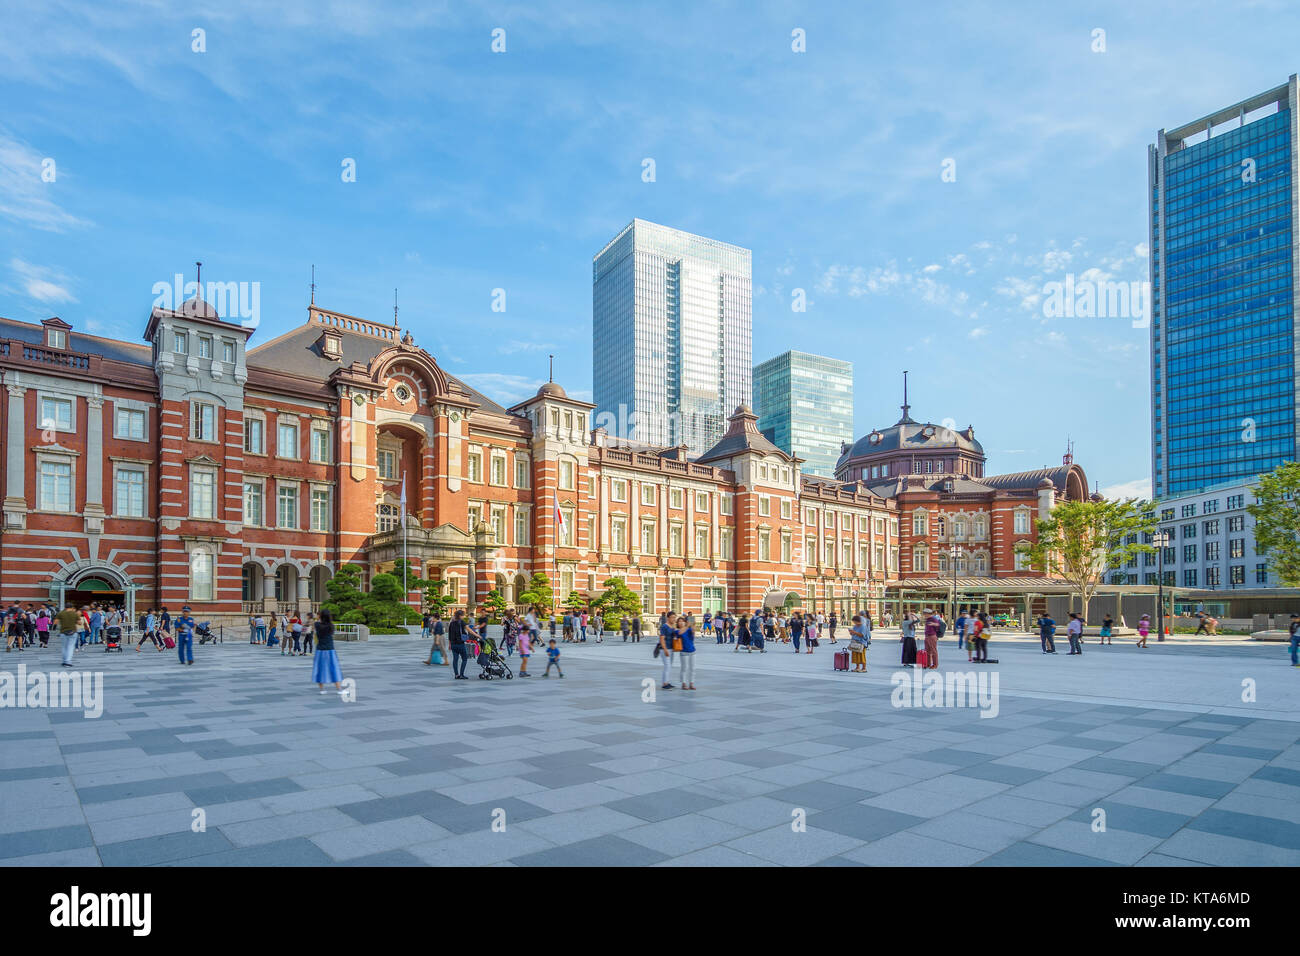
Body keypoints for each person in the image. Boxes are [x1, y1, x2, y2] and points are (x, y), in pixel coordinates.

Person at [311, 608, 345, 696]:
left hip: (320, 650)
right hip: (330, 650)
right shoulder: (331, 626)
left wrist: (318, 617)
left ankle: (322, 689)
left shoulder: (317, 624)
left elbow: (315, 625)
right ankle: (339, 689)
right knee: (334, 668)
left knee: (320, 669)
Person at [448, 609, 478, 679]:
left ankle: (456, 675)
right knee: (464, 659)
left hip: (453, 644)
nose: (464, 617)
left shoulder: (451, 623)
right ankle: (461, 674)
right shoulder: (462, 622)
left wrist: (450, 644)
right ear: (460, 616)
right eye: (463, 615)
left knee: (455, 659)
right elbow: (469, 630)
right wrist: (477, 635)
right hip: (460, 644)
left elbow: (449, 635)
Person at [676, 613, 697, 690]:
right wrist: (687, 626)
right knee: (684, 668)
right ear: (677, 623)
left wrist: (693, 625)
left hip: (692, 651)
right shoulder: (677, 630)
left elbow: (693, 634)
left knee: (693, 668)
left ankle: (691, 683)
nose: (681, 622)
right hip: (684, 652)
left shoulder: (688, 629)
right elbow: (680, 633)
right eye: (679, 621)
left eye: (682, 621)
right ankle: (683, 683)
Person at [657, 614, 675, 688]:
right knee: (667, 666)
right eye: (672, 617)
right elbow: (662, 639)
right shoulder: (664, 626)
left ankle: (667, 681)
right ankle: (664, 683)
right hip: (665, 649)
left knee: (669, 666)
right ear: (668, 618)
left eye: (675, 617)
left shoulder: (673, 626)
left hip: (671, 649)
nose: (674, 619)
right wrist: (665, 649)